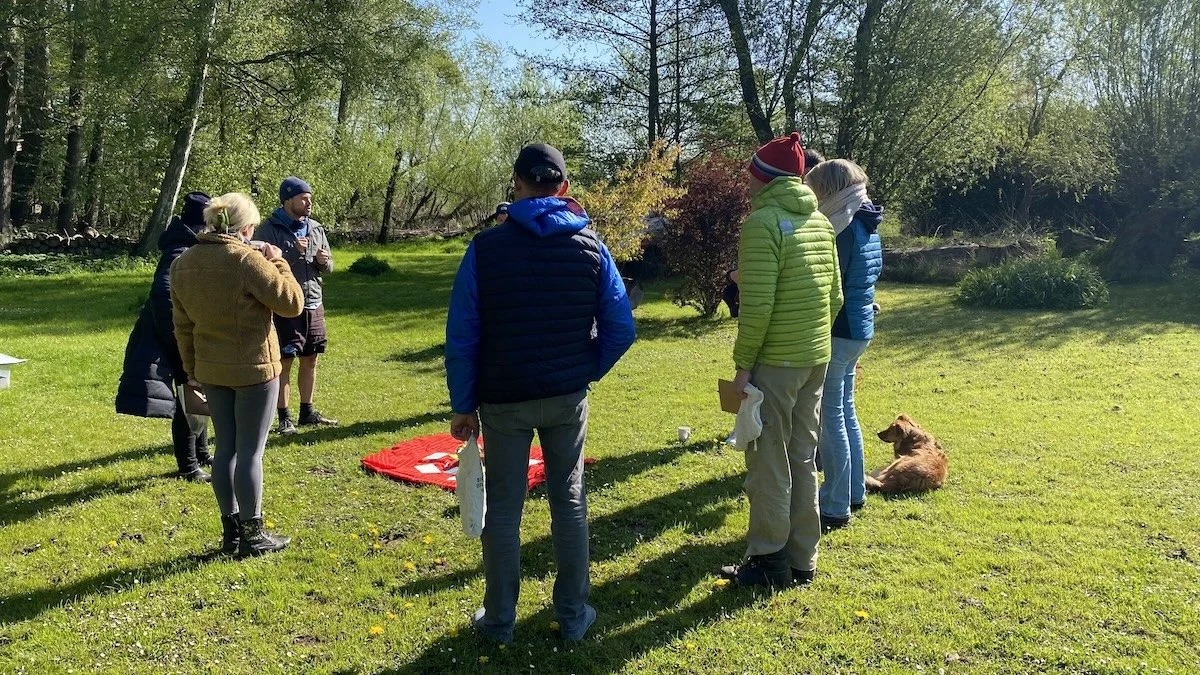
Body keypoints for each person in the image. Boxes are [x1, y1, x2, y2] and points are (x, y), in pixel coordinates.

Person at [445, 143, 636, 643]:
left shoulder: (486, 249)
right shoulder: (591, 247)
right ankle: (573, 615)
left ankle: (499, 621)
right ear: (564, 189)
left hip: (503, 398)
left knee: (504, 509)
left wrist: (463, 403)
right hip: (565, 395)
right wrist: (584, 369)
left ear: (517, 185)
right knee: (568, 500)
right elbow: (620, 328)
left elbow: (463, 334)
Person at [720, 132, 842, 588]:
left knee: (769, 460)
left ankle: (768, 558)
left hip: (776, 361)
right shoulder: (821, 223)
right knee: (802, 457)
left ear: (760, 178)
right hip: (815, 357)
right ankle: (801, 558)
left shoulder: (762, 223)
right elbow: (836, 298)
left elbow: (758, 305)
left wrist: (743, 367)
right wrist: (812, 340)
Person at [170, 193, 305, 557]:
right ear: (246, 228)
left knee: (225, 448)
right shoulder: (246, 260)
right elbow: (292, 303)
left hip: (210, 368)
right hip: (255, 368)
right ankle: (254, 534)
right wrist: (280, 263)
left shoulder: (183, 263)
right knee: (250, 453)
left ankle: (231, 533)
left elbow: (182, 325)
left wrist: (191, 369)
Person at [806, 159, 882, 531]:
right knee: (846, 409)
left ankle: (835, 503)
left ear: (831, 190)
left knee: (830, 414)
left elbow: (830, 286)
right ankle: (853, 491)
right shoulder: (868, 221)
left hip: (841, 328)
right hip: (859, 328)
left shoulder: (843, 228)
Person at [117, 192, 214, 482]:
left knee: (198, 393)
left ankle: (201, 451)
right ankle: (188, 466)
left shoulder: (186, 245)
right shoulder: (179, 251)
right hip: (172, 337)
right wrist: (180, 341)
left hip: (181, 334)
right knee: (188, 397)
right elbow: (164, 298)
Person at [254, 176, 337, 435]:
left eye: (310, 198)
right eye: (304, 198)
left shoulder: (315, 228)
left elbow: (330, 267)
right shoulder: (269, 229)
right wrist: (291, 251)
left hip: (314, 302)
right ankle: (283, 417)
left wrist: (323, 261)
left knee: (310, 358)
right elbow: (258, 267)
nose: (309, 202)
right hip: (286, 304)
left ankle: (307, 411)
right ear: (288, 200)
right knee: (285, 360)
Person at [723, 148, 824, 319]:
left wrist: (733, 276)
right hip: (811, 332)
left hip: (784, 331)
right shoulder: (820, 219)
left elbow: (761, 298)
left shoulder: (763, 221)